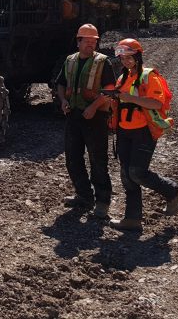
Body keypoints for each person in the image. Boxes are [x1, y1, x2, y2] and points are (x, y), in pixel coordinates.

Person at [108, 38, 178, 231]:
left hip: (143, 131)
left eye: (129, 57)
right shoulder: (122, 78)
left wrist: (130, 98)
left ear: (138, 56)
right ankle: (132, 218)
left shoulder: (149, 76)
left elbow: (157, 104)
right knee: (127, 175)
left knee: (137, 172)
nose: (125, 61)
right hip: (124, 131)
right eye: (122, 57)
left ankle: (173, 192)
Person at [55, 23, 115, 219]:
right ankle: (84, 195)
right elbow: (61, 84)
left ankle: (103, 202)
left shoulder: (103, 62)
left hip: (95, 117)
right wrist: (63, 100)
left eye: (94, 41)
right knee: (73, 158)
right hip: (74, 115)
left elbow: (109, 91)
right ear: (78, 41)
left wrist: (93, 107)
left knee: (98, 160)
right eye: (87, 41)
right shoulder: (70, 60)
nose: (91, 44)